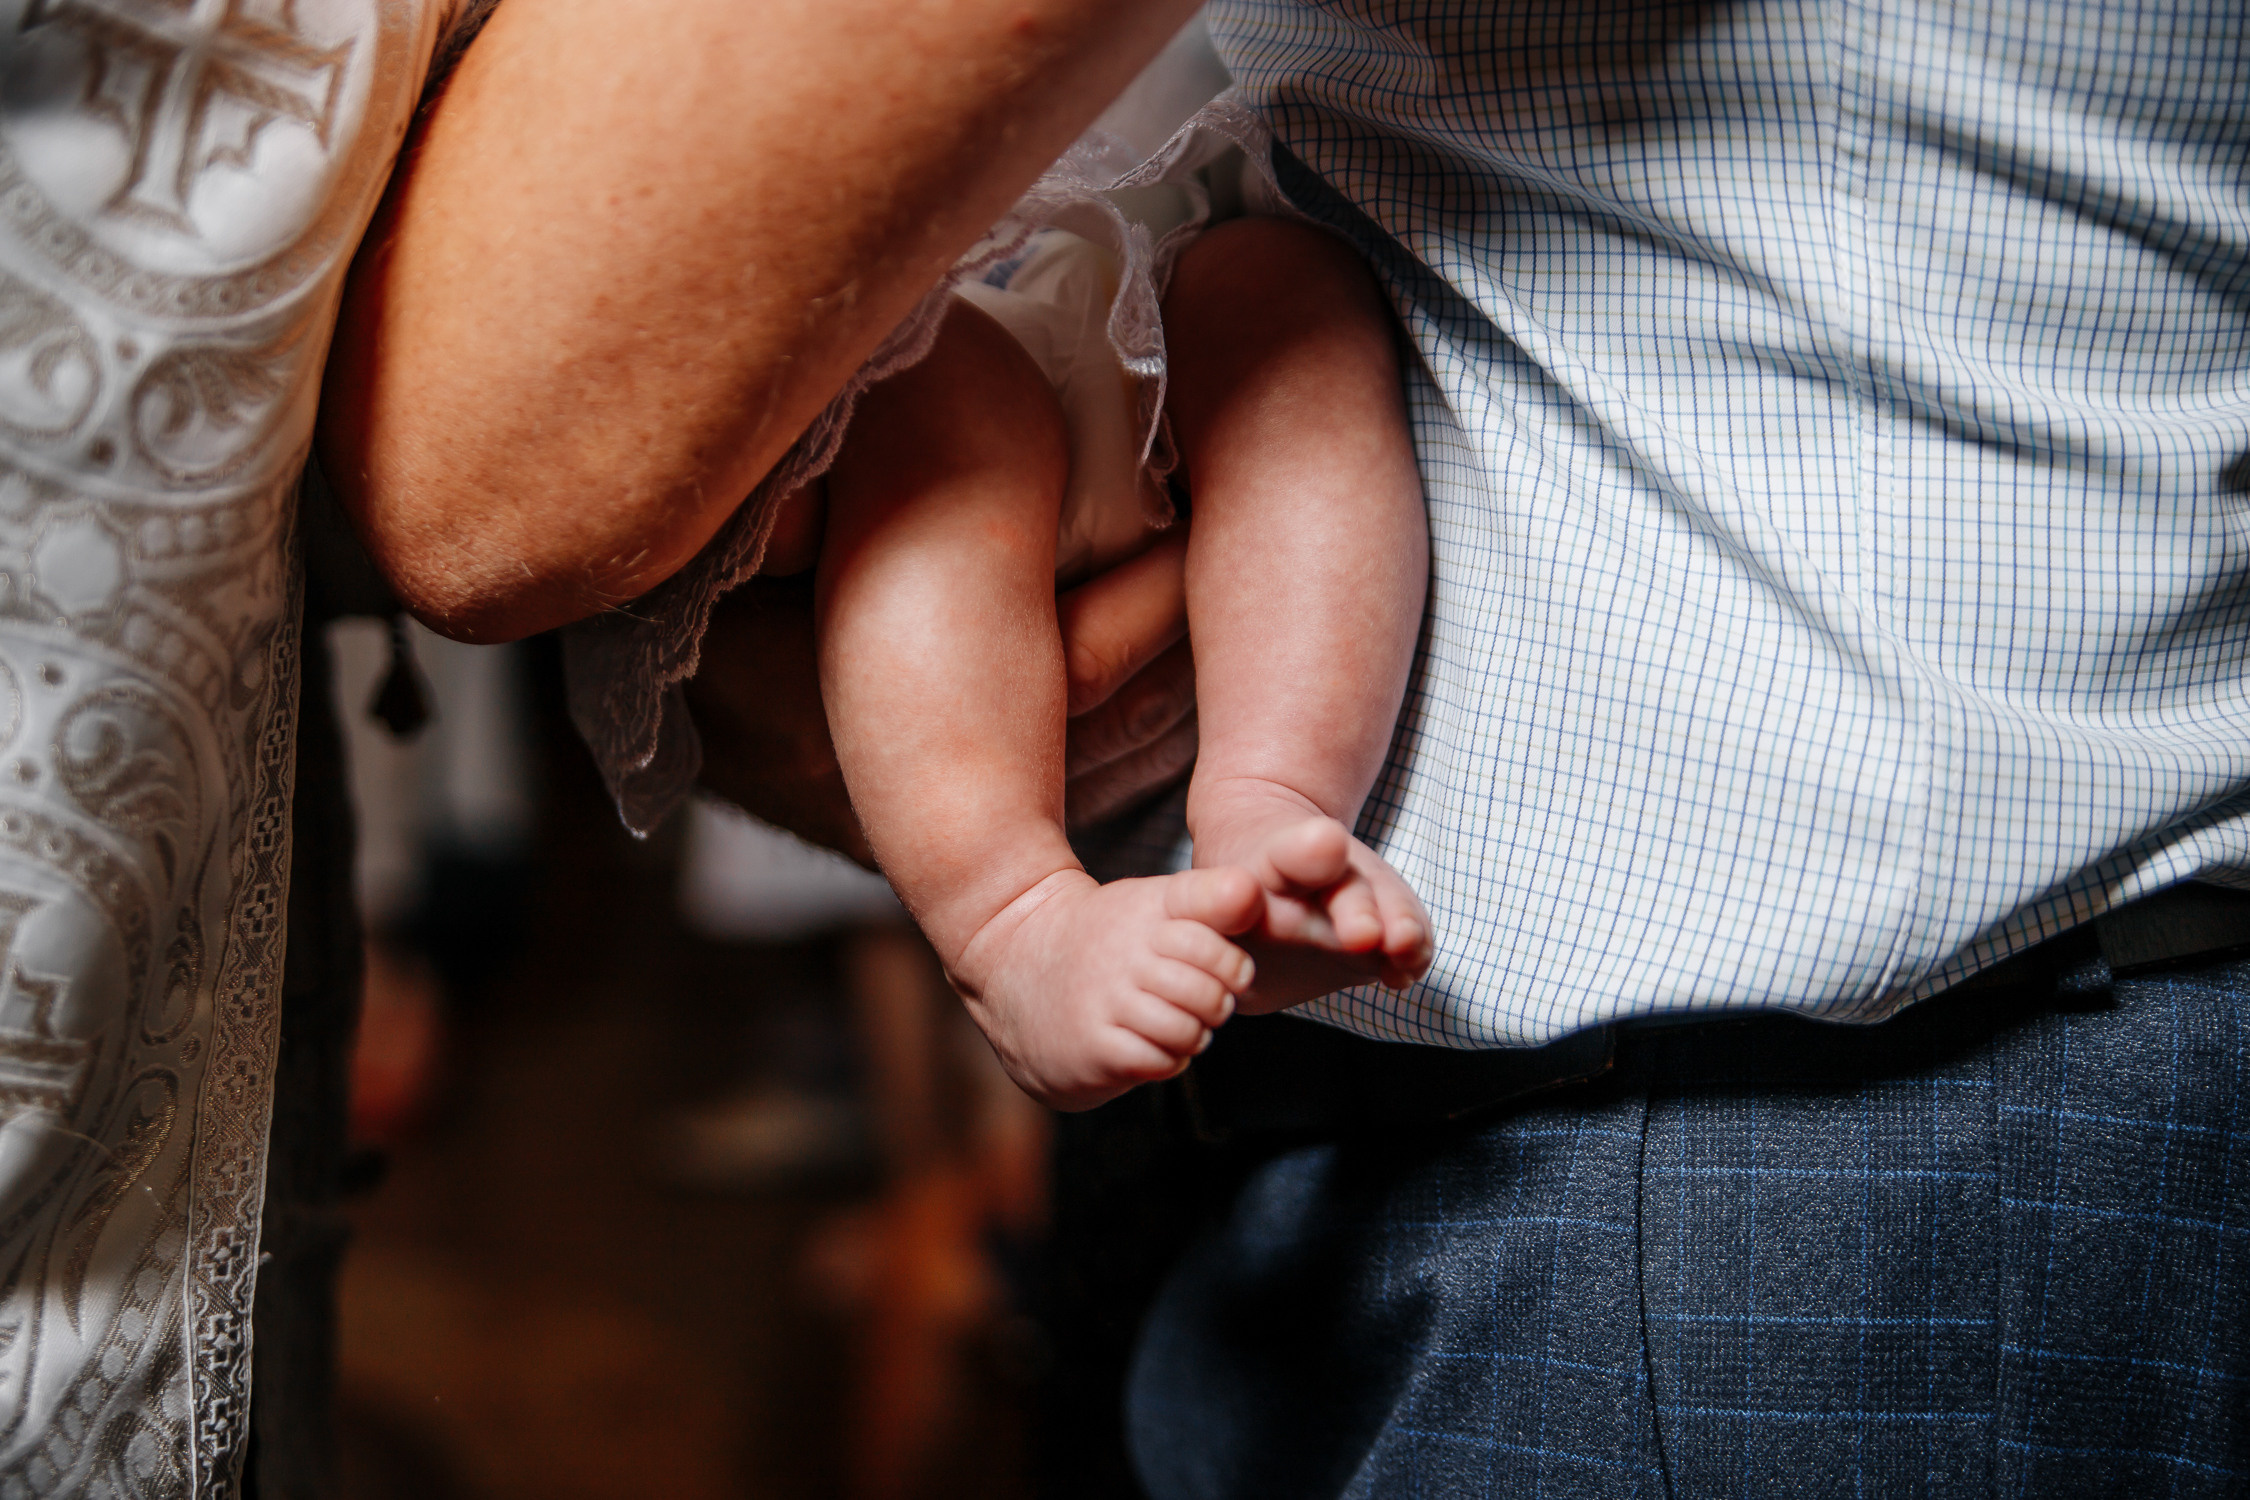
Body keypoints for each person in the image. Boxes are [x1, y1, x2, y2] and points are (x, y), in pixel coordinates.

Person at [325, 0, 2250, 1494]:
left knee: (1258, 325)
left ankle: (1244, 817)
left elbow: (490, 472)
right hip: (1497, 1087)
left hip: (1809, 1107)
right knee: (960, 420)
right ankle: (1023, 908)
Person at [800, 212, 1432, 1112]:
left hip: (1168, 232)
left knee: (1278, 293)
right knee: (934, 382)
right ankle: (1012, 923)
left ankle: (1274, 808)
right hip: (949, 287)